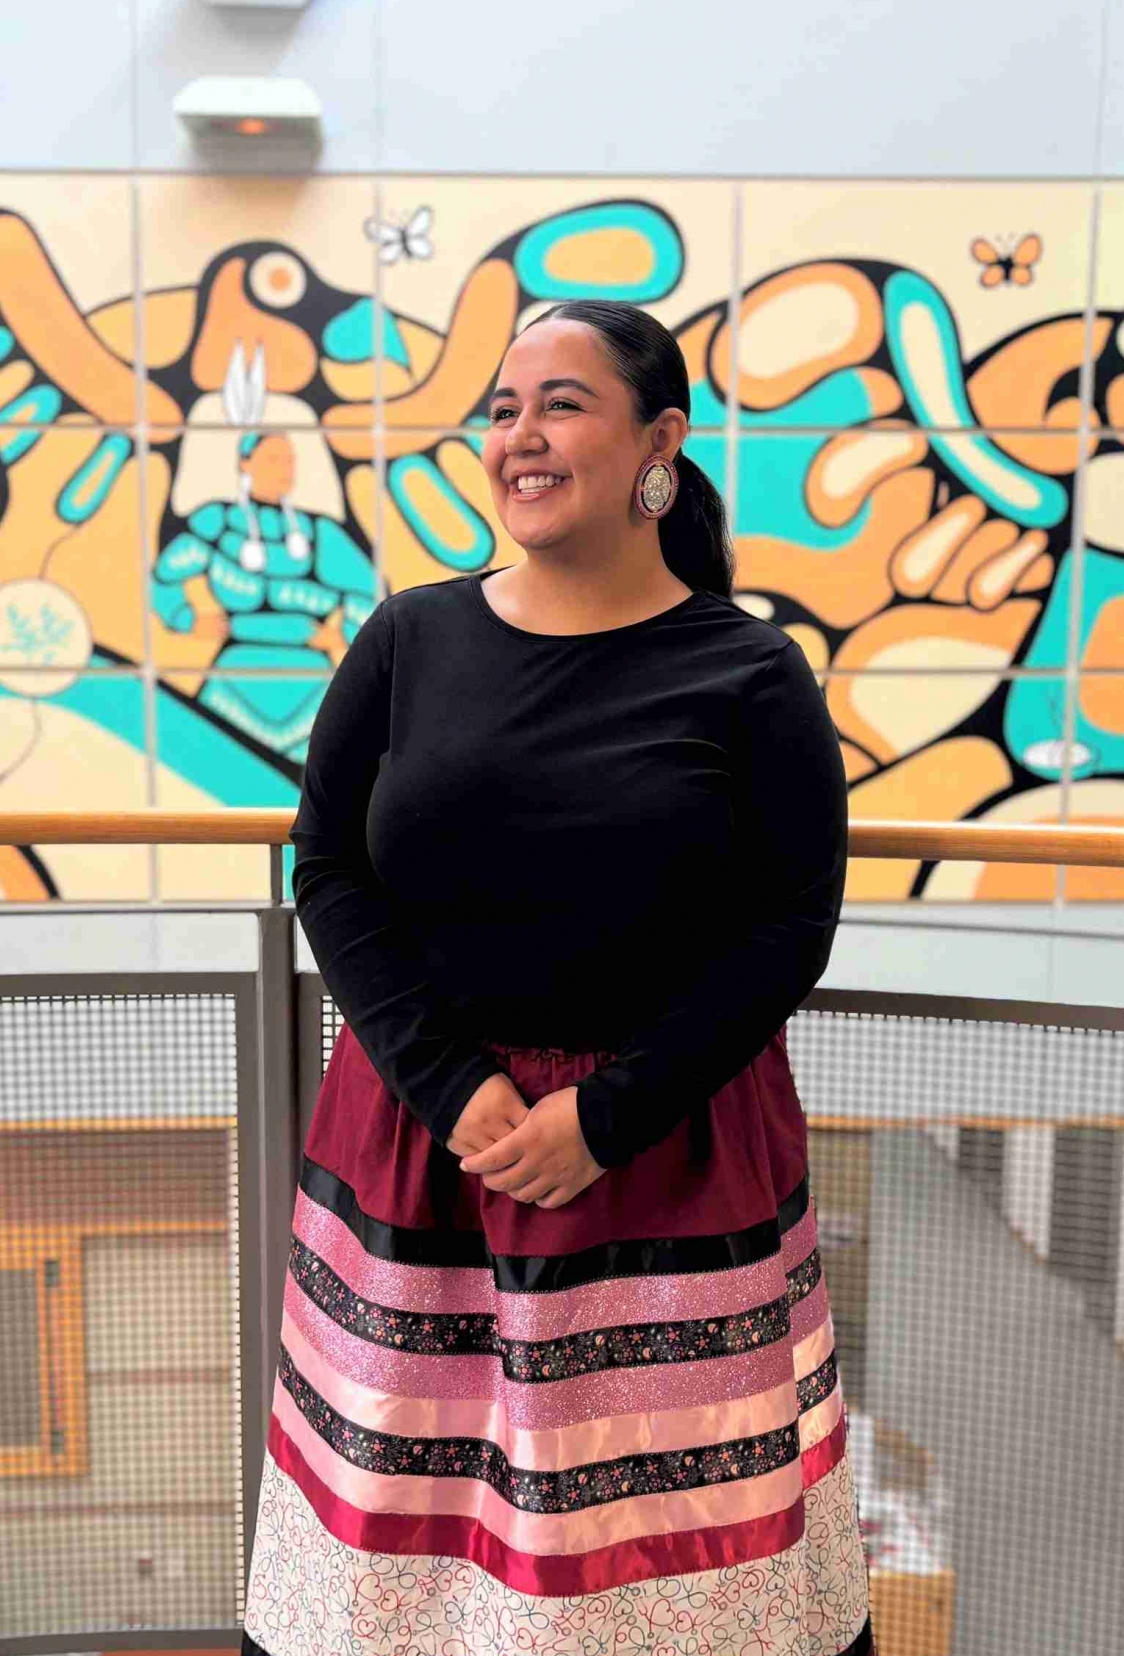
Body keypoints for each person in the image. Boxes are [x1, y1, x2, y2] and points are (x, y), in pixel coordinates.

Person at [238, 300, 874, 1656]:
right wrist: (441, 1079)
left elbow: (787, 930)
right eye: (504, 407)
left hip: (664, 1170)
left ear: (661, 441)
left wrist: (606, 1116)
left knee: (662, 1569)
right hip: (426, 1154)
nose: (521, 437)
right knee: (397, 1562)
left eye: (563, 404)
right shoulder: (409, 640)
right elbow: (328, 869)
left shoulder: (749, 673)